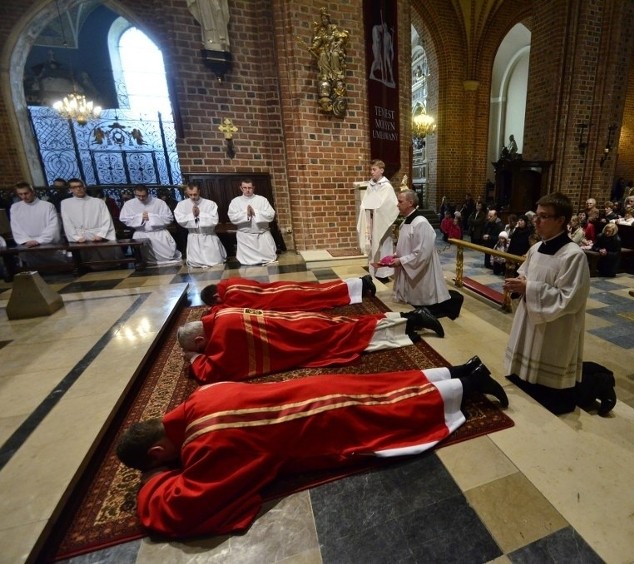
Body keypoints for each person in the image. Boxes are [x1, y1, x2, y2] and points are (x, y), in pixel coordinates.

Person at [115, 360, 507, 538]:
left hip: (317, 423)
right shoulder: (200, 397)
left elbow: (180, 510)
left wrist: (153, 481)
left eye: (161, 461)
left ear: (156, 452)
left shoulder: (208, 447)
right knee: (381, 387)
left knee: (390, 418)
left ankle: (468, 388)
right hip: (310, 389)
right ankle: (457, 370)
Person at [177, 305, 444, 383]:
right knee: (351, 326)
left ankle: (412, 320)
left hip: (300, 337)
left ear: (201, 339)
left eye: (201, 347)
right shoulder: (218, 316)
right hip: (297, 320)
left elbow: (212, 372)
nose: (204, 351)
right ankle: (408, 320)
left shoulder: (222, 335)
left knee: (352, 337)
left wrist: (193, 357)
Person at [503, 193, 593, 408]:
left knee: (547, 379)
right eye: (537, 216)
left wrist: (529, 288)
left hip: (555, 326)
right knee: (523, 374)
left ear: (561, 220)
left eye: (543, 217)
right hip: (529, 317)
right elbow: (525, 275)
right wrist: (519, 284)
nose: (537, 221)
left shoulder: (573, 255)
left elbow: (570, 299)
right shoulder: (535, 248)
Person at [384, 189, 462, 319]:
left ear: (410, 202)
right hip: (409, 264)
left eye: (400, 201)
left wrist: (401, 261)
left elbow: (421, 254)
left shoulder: (421, 223)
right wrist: (397, 255)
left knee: (424, 300)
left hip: (422, 270)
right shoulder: (406, 221)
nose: (397, 204)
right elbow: (407, 244)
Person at [199, 275, 376, 310]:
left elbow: (229, 311)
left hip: (281, 299)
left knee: (321, 296)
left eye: (216, 303)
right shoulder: (230, 281)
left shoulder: (231, 297)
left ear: (216, 296)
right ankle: (358, 282)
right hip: (279, 287)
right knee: (319, 289)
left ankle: (360, 283)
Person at [60, 178, 123, 265]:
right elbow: (67, 222)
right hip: (80, 236)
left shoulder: (98, 202)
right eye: (74, 187)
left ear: (84, 187)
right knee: (85, 262)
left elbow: (107, 219)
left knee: (106, 261)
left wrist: (101, 234)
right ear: (70, 190)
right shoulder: (65, 203)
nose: (78, 189)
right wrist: (76, 237)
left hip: (97, 235)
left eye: (80, 186)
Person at [119, 185, 183, 266]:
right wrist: (140, 217)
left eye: (143, 196)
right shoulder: (129, 204)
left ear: (148, 193)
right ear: (135, 193)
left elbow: (169, 218)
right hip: (141, 233)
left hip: (159, 233)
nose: (141, 198)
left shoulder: (159, 203)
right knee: (144, 258)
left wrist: (151, 217)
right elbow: (124, 219)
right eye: (138, 196)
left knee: (167, 257)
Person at [357, 159, 397, 281]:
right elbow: (366, 202)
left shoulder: (387, 186)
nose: (372, 172)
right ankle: (373, 270)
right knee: (373, 246)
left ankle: (384, 273)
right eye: (371, 170)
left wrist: (375, 209)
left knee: (383, 246)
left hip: (382, 223)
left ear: (381, 170)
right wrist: (364, 208)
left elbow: (389, 205)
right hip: (372, 221)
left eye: (374, 169)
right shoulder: (371, 185)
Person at [10, 181, 66, 268]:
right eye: (20, 194)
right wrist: (26, 240)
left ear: (33, 192)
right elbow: (15, 227)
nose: (24, 197)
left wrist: (39, 240)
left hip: (46, 242)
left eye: (26, 193)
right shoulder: (15, 207)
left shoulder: (47, 206)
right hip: (27, 243)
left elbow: (53, 226)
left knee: (56, 267)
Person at [173, 183, 227, 268]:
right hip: (194, 236)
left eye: (195, 194)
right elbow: (180, 219)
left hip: (208, 236)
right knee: (195, 263)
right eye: (190, 194)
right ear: (186, 192)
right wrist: (193, 216)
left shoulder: (210, 204)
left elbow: (214, 220)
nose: (193, 197)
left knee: (215, 262)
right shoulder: (181, 205)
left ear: (199, 191)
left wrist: (200, 214)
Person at [228, 179, 277, 265]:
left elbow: (271, 215)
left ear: (253, 188)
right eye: (245, 187)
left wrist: (256, 213)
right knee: (246, 263)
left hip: (262, 235)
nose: (247, 190)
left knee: (269, 258)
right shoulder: (235, 201)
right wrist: (246, 214)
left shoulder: (262, 200)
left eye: (249, 187)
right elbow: (232, 217)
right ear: (241, 188)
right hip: (245, 238)